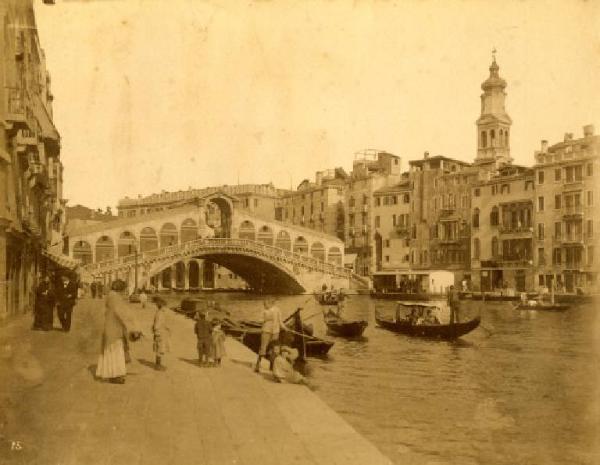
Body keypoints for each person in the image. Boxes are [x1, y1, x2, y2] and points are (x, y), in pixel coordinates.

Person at [96, 280, 140, 384]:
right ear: (120, 289)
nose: (124, 292)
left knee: (109, 352)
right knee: (116, 352)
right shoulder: (116, 298)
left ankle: (109, 373)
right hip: (115, 329)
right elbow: (123, 314)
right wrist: (135, 327)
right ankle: (115, 375)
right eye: (124, 290)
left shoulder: (111, 296)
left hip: (109, 327)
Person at [255, 297, 286, 373]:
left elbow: (280, 322)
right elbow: (260, 320)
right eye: (264, 304)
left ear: (271, 303)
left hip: (275, 332)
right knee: (263, 348)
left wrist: (285, 327)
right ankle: (258, 364)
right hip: (266, 331)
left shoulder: (278, 310)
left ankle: (272, 366)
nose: (264, 306)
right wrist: (264, 320)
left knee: (274, 349)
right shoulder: (265, 311)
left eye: (265, 304)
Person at [152, 297, 170, 371]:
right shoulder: (160, 313)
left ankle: (158, 365)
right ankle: (158, 366)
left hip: (159, 332)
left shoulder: (159, 312)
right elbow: (157, 325)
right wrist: (157, 332)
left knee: (159, 349)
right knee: (159, 349)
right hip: (159, 333)